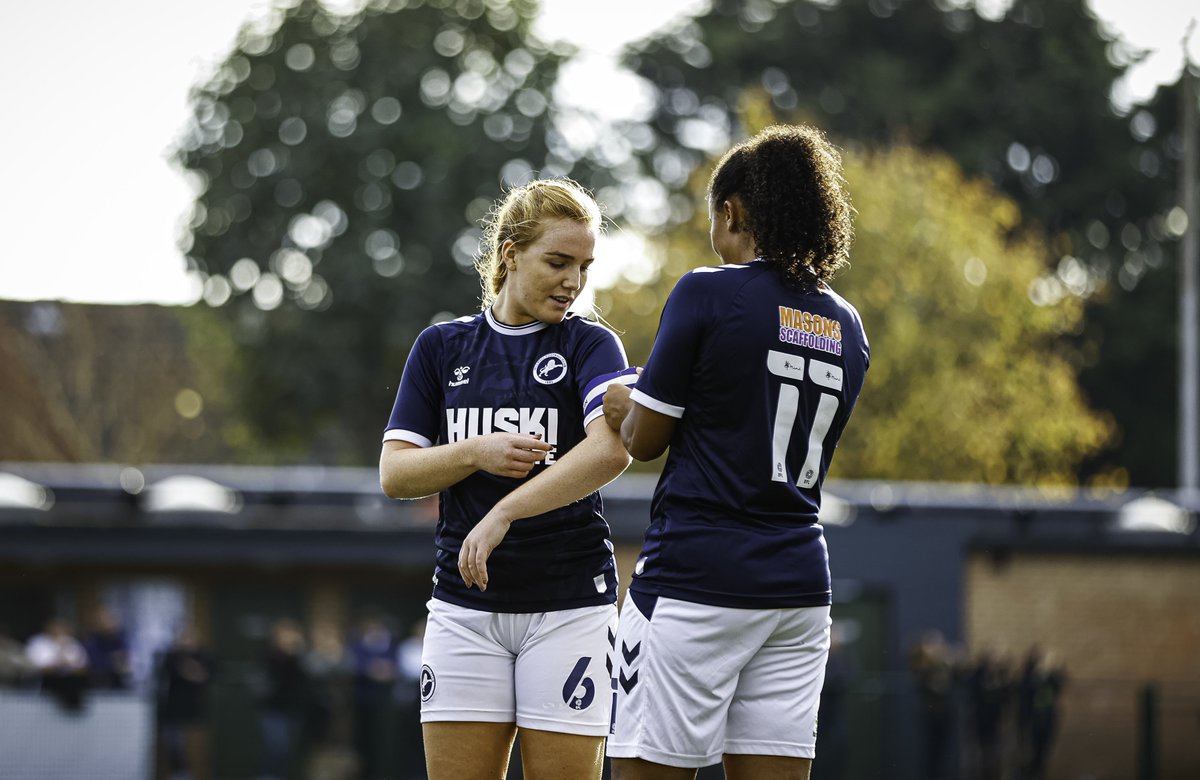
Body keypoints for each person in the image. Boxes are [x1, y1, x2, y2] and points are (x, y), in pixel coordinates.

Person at [602, 124, 868, 780]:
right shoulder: (846, 322)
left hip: (697, 576)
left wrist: (623, 402)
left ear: (733, 211)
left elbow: (643, 440)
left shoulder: (708, 290)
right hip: (799, 586)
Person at [379, 177, 633, 780]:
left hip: (569, 604)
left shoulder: (591, 344)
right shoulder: (441, 346)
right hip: (464, 606)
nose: (573, 281)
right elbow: (395, 473)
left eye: (584, 266)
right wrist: (476, 451)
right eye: (558, 262)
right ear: (510, 254)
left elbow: (610, 452)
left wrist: (504, 512)